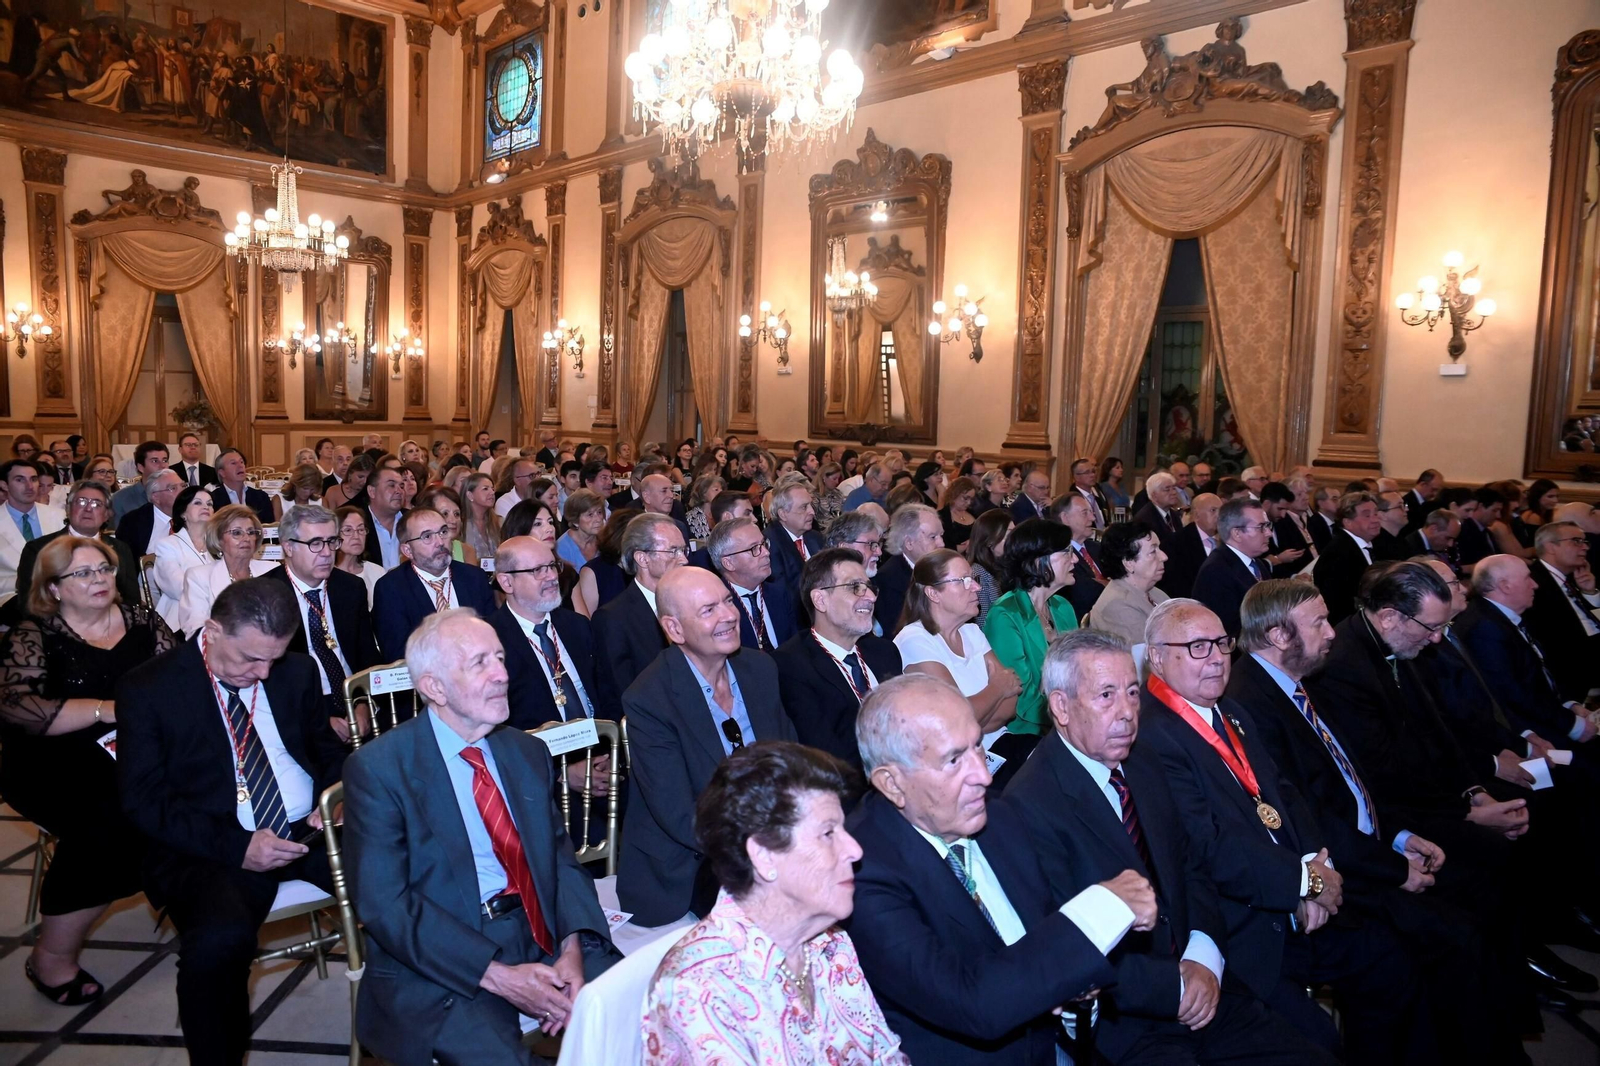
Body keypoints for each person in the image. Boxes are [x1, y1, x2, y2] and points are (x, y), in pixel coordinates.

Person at [1233, 578, 1535, 1061]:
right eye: (1318, 623)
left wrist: (1400, 837)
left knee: (1473, 901)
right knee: (1448, 936)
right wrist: (1395, 867)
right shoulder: (1250, 703)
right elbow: (1306, 819)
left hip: (1367, 845)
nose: (1332, 632)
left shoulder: (1294, 686)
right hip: (1332, 870)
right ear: (1279, 636)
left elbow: (1353, 786)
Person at [1008, 630, 1338, 1066]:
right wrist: (1175, 988)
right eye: (1106, 696)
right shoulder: (1030, 805)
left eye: (1131, 692)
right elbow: (1061, 943)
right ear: (1061, 707)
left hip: (1204, 976)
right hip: (1124, 1016)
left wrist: (1203, 955)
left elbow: (1191, 866)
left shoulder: (1141, 761)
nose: (1127, 712)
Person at [1136, 598, 1429, 1062]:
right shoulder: (1151, 735)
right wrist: (1303, 884)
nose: (1214, 657)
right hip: (1240, 924)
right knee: (1315, 1043)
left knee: (1393, 965)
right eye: (1195, 647)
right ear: (1155, 657)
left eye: (1220, 643)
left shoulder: (1231, 711)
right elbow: (1209, 848)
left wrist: (1316, 861)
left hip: (1294, 893)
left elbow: (1285, 794)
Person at [348, 604, 623, 1065]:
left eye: (500, 658)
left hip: (541, 927)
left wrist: (571, 950)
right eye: (480, 663)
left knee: (636, 1013)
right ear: (433, 687)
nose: (501, 675)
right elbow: (387, 906)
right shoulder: (380, 769)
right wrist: (499, 977)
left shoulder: (524, 751)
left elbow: (560, 861)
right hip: (444, 950)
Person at [845, 673, 1145, 1065]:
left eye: (977, 748)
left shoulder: (1000, 818)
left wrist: (1070, 985)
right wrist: (1104, 908)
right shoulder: (862, 871)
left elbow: (1044, 941)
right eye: (954, 760)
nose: (983, 776)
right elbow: (973, 1004)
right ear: (892, 784)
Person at [117, 579, 345, 1065]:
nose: (263, 673)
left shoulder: (295, 671)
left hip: (309, 827)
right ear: (213, 630)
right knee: (217, 945)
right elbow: (143, 801)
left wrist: (336, 796)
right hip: (215, 843)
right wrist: (237, 846)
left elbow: (327, 751)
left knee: (412, 875)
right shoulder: (151, 687)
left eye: (273, 659)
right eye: (250, 659)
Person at [644, 742, 908, 1065]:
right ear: (764, 855)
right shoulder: (698, 991)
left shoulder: (830, 943)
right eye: (828, 833)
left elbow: (884, 1056)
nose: (854, 849)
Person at [2, 537, 175, 1006]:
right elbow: (19, 709)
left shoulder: (142, 619)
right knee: (107, 820)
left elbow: (177, 678)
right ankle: (51, 957)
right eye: (82, 573)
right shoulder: (34, 632)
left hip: (133, 747)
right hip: (51, 756)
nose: (99, 579)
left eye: (103, 569)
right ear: (54, 587)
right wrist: (105, 710)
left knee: (193, 787)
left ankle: (191, 897)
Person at [618, 566, 796, 925]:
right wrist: (761, 848)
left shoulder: (760, 669)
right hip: (694, 859)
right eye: (708, 610)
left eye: (728, 601)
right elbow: (680, 815)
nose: (730, 615)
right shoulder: (649, 698)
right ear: (674, 629)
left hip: (770, 835)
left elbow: (791, 761)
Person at [772, 548, 902, 770]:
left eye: (869, 587)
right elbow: (824, 756)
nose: (870, 597)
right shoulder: (791, 666)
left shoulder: (884, 652)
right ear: (820, 600)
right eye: (855, 588)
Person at [894, 549, 1021, 774]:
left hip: (1000, 745)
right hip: (958, 763)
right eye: (964, 580)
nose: (977, 587)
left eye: (974, 579)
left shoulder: (972, 633)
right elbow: (954, 719)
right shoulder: (915, 639)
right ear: (933, 594)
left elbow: (1011, 706)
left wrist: (973, 713)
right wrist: (998, 688)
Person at [263, 503, 380, 738]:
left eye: (331, 542)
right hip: (301, 707)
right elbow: (271, 679)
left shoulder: (350, 588)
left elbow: (367, 656)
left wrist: (365, 706)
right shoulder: (266, 595)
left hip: (354, 695)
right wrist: (317, 719)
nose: (327, 552)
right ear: (288, 547)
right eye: (315, 543)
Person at [489, 535, 607, 731]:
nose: (552, 576)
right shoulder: (491, 641)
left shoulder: (577, 626)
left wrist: (607, 748)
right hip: (538, 756)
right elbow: (502, 725)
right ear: (507, 582)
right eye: (537, 570)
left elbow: (605, 690)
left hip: (598, 748)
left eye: (552, 566)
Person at [983, 518, 1080, 743]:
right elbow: (1021, 696)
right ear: (1038, 561)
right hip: (1028, 735)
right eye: (1066, 552)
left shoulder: (1062, 608)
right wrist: (1073, 720)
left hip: (1067, 725)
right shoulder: (1006, 615)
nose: (1075, 559)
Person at [372, 507, 497, 662]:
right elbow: (398, 653)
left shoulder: (474, 577)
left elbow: (494, 632)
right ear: (408, 550)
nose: (440, 542)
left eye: (443, 532)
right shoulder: (391, 588)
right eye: (427, 536)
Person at [591, 513, 686, 715]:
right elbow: (625, 694)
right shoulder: (613, 618)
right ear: (642, 558)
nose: (684, 559)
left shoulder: (691, 603)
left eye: (683, 550)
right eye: (673, 551)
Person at [1522, 520, 1600, 701]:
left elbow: (1592, 621)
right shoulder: (1534, 583)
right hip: (1577, 666)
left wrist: (1589, 592)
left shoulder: (1570, 578)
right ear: (1551, 547)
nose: (1585, 548)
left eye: (1585, 542)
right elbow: (1555, 641)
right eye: (1576, 541)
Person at [177, 505, 278, 638]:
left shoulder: (273, 570)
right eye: (237, 533)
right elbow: (196, 629)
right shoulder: (198, 576)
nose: (246, 538)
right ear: (219, 539)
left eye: (251, 532)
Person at [710, 515, 799, 651]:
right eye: (754, 548)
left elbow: (796, 646)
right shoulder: (716, 608)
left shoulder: (780, 593)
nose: (766, 553)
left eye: (764, 544)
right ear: (729, 563)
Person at [1191, 497, 1273, 637]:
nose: (1269, 533)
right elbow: (1228, 632)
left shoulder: (1256, 563)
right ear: (1237, 534)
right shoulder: (1216, 571)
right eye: (1261, 527)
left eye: (1268, 526)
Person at [1090, 520, 1172, 647]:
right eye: (1153, 551)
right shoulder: (1117, 605)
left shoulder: (1154, 592)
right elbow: (1145, 659)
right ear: (1129, 563)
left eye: (1159, 549)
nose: (1164, 556)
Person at [0, 458, 66, 607]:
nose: (29, 486)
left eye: (34, 479)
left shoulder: (59, 516)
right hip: (11, 598)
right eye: (20, 480)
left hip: (59, 594)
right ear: (4, 485)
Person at [1314, 492, 1383, 625]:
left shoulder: (1373, 545)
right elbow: (1336, 604)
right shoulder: (1338, 553)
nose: (1375, 519)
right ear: (1347, 522)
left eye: (1375, 513)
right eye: (1367, 515)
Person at [151, 486, 215, 628]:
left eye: (209, 504)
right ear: (183, 513)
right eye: (198, 503)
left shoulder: (218, 545)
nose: (206, 507)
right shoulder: (167, 545)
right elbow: (178, 588)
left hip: (217, 615)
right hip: (178, 620)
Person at [875, 503, 944, 635]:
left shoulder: (941, 568)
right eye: (933, 537)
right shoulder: (889, 580)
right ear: (909, 543)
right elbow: (898, 631)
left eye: (941, 535)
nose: (942, 543)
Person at [765, 480, 822, 594]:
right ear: (783, 514)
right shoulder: (769, 545)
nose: (812, 512)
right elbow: (784, 592)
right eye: (804, 507)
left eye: (811, 505)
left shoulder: (816, 537)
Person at [113, 467, 183, 557]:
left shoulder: (193, 516)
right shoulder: (132, 522)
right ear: (156, 497)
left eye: (183, 485)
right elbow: (126, 562)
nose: (182, 491)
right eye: (173, 488)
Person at [334, 506, 386, 608]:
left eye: (361, 529)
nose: (356, 536)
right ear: (334, 535)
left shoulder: (377, 572)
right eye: (348, 530)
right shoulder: (326, 574)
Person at [109, 441, 169, 523]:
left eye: (165, 460)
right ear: (141, 467)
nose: (163, 466)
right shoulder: (121, 498)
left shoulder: (175, 494)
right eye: (155, 461)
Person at [212, 448, 275, 527]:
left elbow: (269, 530)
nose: (240, 466)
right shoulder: (213, 499)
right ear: (222, 473)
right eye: (233, 463)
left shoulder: (261, 497)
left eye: (242, 462)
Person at [361, 464, 406, 569]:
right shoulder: (359, 522)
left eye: (402, 486)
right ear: (372, 491)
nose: (399, 491)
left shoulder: (411, 520)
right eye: (391, 485)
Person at [555, 488, 606, 570]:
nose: (598, 519)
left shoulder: (606, 541)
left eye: (599, 512)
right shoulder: (562, 549)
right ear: (575, 521)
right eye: (590, 515)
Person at [460, 471, 502, 562]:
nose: (492, 493)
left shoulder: (499, 521)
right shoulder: (460, 524)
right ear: (470, 495)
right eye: (485, 489)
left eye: (492, 489)